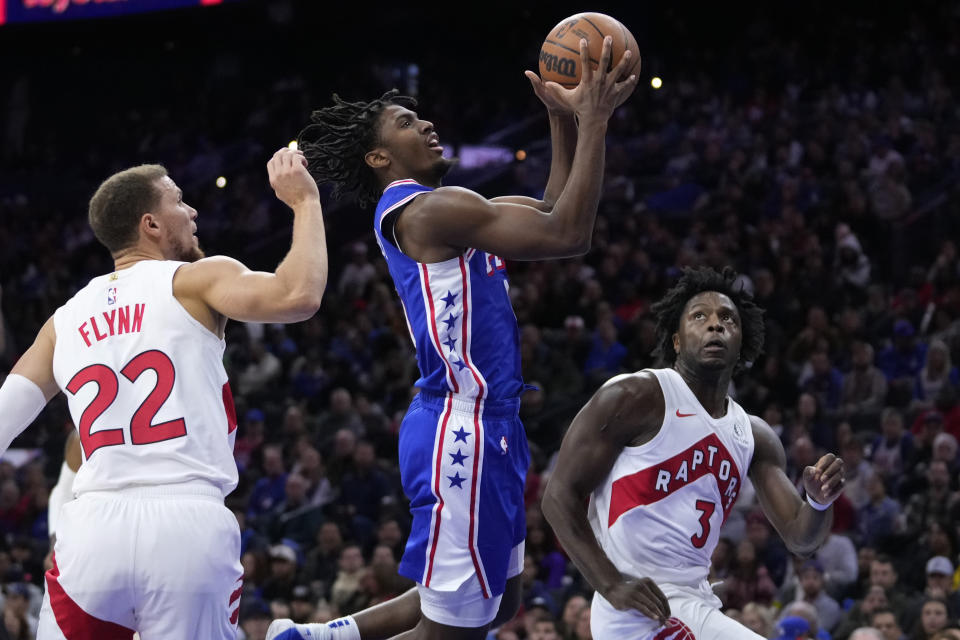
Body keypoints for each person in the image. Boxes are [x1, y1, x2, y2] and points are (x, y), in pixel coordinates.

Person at [269, 36, 638, 640]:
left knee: (499, 602)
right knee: (456, 629)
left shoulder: (445, 208)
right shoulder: (428, 212)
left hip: (493, 422)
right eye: (407, 122)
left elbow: (551, 207)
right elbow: (569, 234)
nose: (428, 123)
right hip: (460, 427)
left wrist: (560, 117)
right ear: (379, 158)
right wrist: (595, 119)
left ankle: (319, 637)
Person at [0, 148, 328, 639]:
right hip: (186, 522)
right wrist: (304, 202)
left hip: (92, 529)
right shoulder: (195, 280)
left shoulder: (63, 320)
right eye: (180, 200)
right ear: (151, 224)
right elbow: (298, 295)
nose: (193, 211)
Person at [539, 266, 846, 639]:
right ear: (677, 341)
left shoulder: (753, 435)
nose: (714, 325)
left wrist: (817, 502)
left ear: (741, 339)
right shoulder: (637, 396)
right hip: (641, 607)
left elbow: (802, 540)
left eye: (727, 319)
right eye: (699, 316)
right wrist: (612, 584)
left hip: (694, 602)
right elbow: (558, 497)